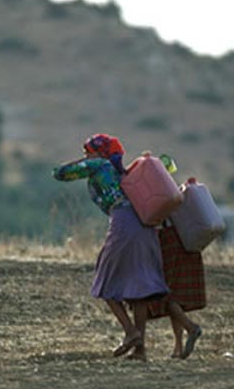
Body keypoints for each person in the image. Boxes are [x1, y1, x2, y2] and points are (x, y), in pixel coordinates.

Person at [53, 133, 169, 361]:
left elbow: (59, 174)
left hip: (124, 223)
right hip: (145, 225)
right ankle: (140, 350)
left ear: (100, 152)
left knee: (105, 278)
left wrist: (82, 161)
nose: (86, 155)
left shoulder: (99, 165)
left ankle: (130, 332)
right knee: (138, 287)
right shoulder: (122, 172)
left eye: (88, 151)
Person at [147, 219, 204, 359]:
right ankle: (178, 346)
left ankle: (190, 327)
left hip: (167, 237)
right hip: (186, 236)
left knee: (163, 293)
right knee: (174, 294)